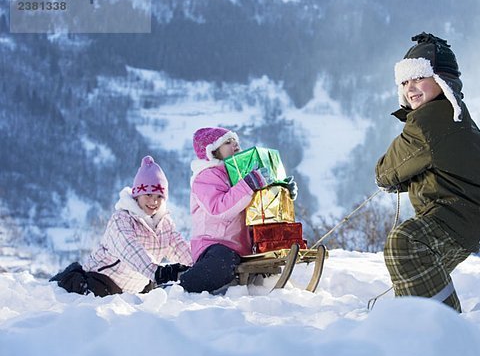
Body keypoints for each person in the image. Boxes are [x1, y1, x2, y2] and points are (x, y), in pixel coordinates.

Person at [374, 32, 480, 312]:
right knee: (417, 269)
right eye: (404, 82)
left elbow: (386, 171)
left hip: (451, 217)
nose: (410, 88)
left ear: (441, 79)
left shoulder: (427, 122)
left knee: (405, 243)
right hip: (471, 219)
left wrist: (396, 179)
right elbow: (460, 158)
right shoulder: (455, 113)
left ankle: (445, 328)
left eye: (419, 78)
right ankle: (415, 323)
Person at [50, 156, 193, 296]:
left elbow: (179, 247)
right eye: (148, 195)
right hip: (100, 279)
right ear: (137, 195)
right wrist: (159, 272)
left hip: (134, 287)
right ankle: (64, 279)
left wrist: (197, 266)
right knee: (87, 290)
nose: (154, 202)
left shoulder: (165, 224)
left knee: (151, 290)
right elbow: (130, 249)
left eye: (159, 197)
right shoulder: (122, 219)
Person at [179, 127, 297, 294]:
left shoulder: (238, 174)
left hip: (241, 246)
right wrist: (250, 183)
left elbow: (256, 205)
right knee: (222, 261)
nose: (235, 144)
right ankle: (183, 284)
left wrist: (281, 190)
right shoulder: (205, 177)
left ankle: (266, 285)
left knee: (271, 246)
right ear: (212, 151)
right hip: (213, 245)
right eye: (227, 142)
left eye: (235, 141)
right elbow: (218, 209)